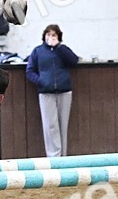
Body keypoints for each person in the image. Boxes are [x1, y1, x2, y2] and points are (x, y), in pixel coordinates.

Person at [25, 24, 79, 157]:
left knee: (63, 125)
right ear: (44, 36)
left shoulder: (63, 50)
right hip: (46, 92)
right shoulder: (38, 51)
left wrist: (59, 47)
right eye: (48, 35)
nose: (51, 37)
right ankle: (54, 156)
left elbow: (74, 61)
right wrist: (41, 81)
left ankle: (63, 156)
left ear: (59, 37)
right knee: (50, 126)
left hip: (64, 92)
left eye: (54, 35)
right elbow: (30, 71)